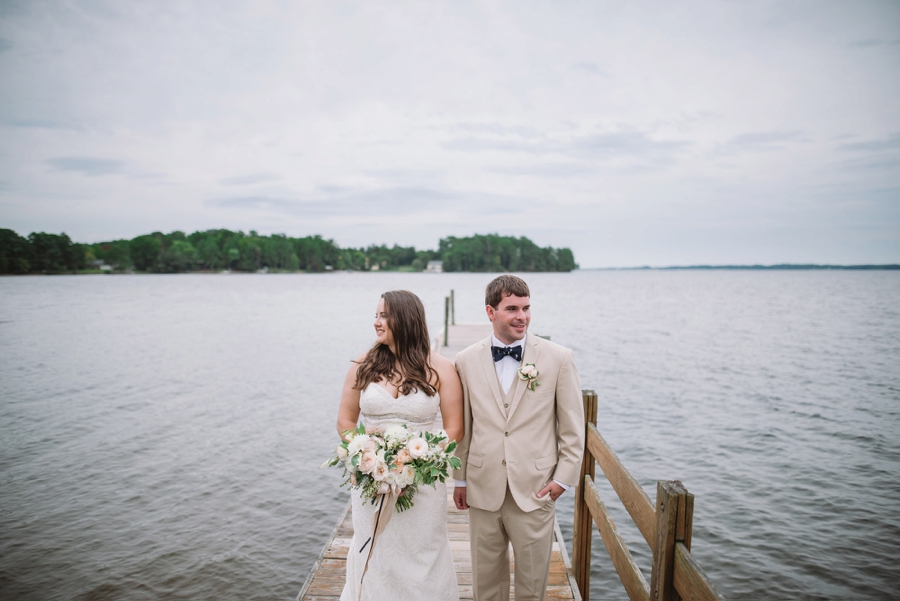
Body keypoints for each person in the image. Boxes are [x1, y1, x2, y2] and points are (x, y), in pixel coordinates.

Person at [452, 275, 585, 601]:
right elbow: (464, 428)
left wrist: (563, 481)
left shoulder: (558, 358)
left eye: (526, 308)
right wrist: (461, 479)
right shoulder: (466, 360)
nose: (522, 316)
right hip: (483, 488)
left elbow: (572, 428)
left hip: (535, 489)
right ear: (490, 312)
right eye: (512, 308)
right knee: (486, 584)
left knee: (532, 584)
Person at [336, 290, 463, 601]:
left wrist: (422, 461)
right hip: (373, 479)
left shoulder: (441, 368)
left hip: (422, 480)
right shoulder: (361, 366)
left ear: (405, 319)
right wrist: (367, 455)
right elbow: (345, 422)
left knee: (422, 549)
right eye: (376, 315)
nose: (376, 322)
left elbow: (455, 427)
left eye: (383, 316)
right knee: (375, 547)